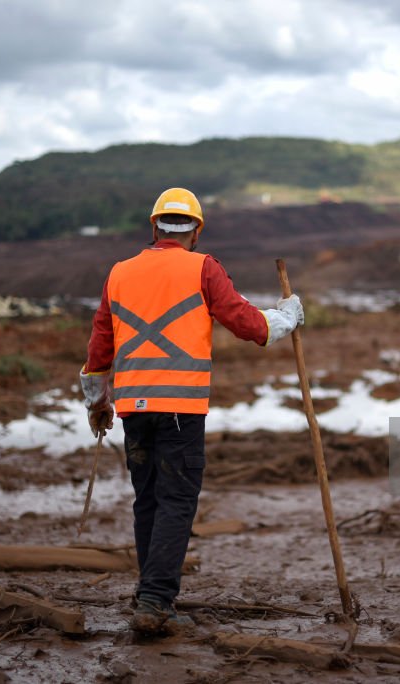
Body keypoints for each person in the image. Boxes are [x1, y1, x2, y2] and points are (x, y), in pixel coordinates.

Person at [80, 187, 304, 635]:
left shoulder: (120, 273)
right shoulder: (204, 267)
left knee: (149, 501)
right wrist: (288, 317)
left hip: (134, 412)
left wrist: (96, 402)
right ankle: (156, 602)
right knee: (176, 503)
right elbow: (247, 324)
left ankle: (149, 592)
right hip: (181, 410)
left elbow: (99, 346)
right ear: (196, 230)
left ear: (154, 227)